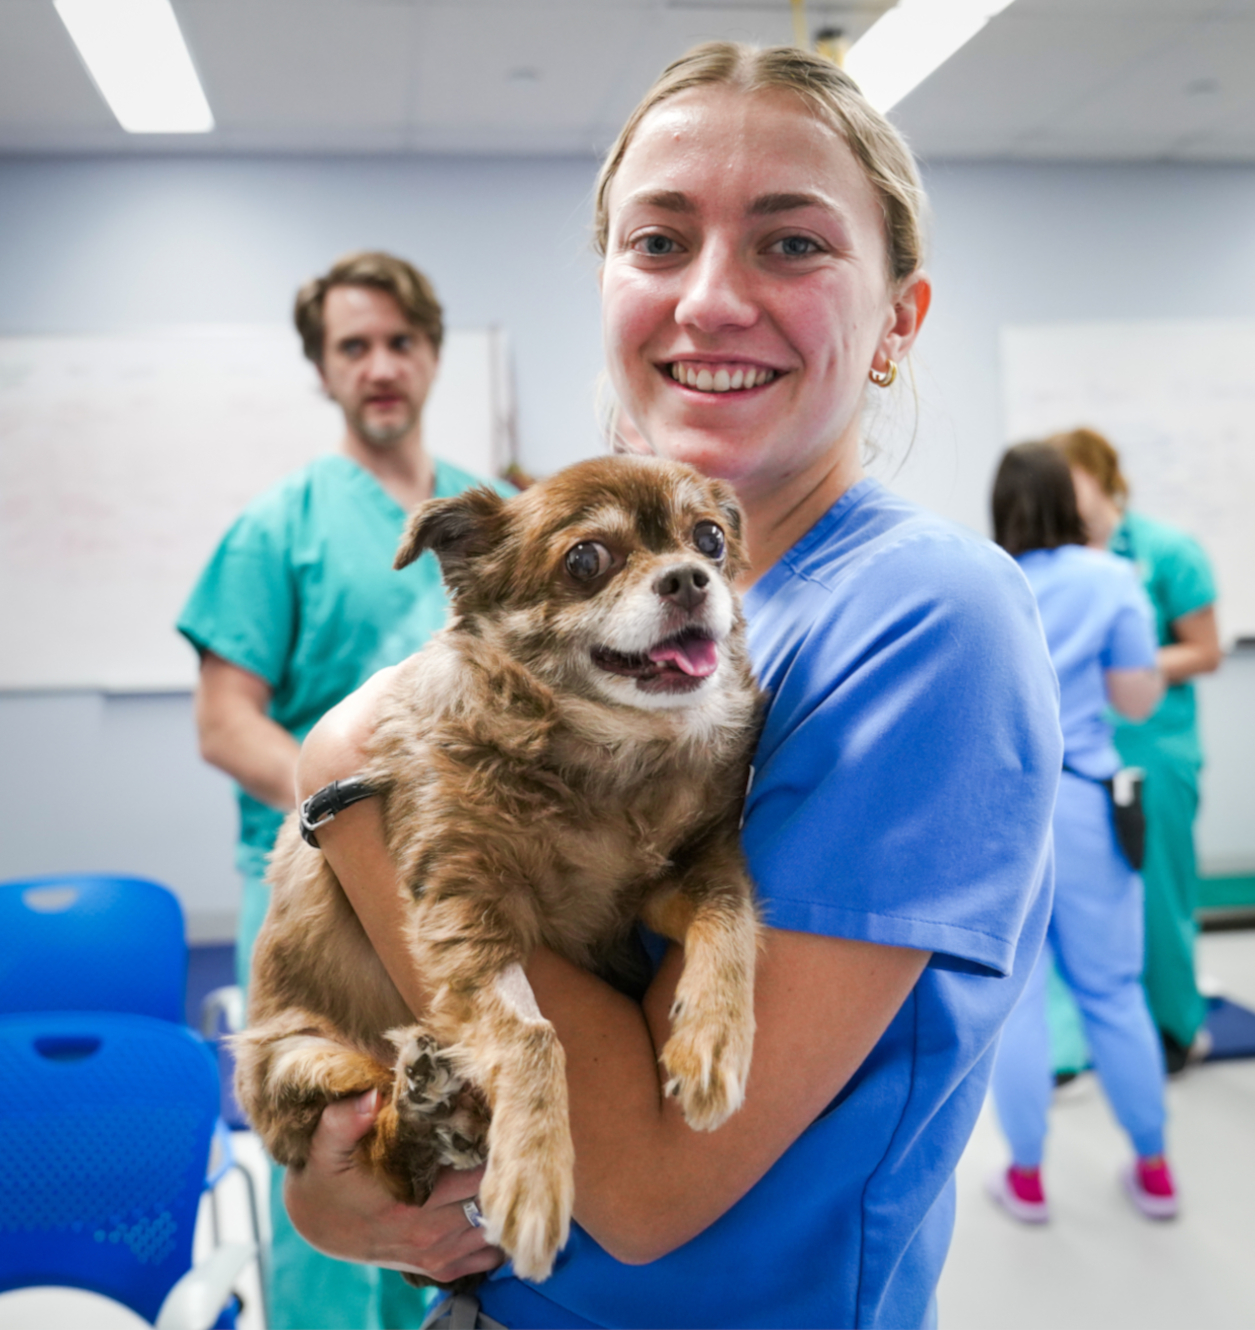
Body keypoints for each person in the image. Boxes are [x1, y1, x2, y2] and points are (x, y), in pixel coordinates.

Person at [279, 45, 1062, 1329]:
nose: (707, 299)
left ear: (898, 320)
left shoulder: (926, 621)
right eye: (656, 241)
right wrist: (348, 1196)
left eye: (790, 244)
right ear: (605, 288)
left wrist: (350, 794)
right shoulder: (644, 618)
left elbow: (640, 1189)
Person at [178, 250, 513, 1330]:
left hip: (467, 894)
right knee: (336, 1156)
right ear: (323, 371)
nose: (379, 366)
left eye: (398, 342)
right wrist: (352, 811)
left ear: (431, 356)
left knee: (466, 1166)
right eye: (351, 347)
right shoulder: (278, 527)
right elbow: (225, 720)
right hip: (315, 902)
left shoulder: (493, 513)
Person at [985, 442, 1178, 1224]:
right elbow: (1136, 703)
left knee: (1020, 999)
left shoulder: (985, 580)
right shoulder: (1112, 580)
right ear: (1073, 501)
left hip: (1006, 819)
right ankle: (1155, 1167)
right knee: (1113, 988)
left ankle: (1027, 1180)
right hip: (1090, 803)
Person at [1052, 427, 1222, 1072]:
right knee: (1074, 903)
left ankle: (1177, 1028)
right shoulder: (1057, 558)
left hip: (1155, 747)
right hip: (1076, 755)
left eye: (1072, 484)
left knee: (1158, 891)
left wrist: (1126, 663)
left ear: (1104, 479)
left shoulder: (1167, 552)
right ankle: (1079, 1042)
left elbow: (1206, 650)